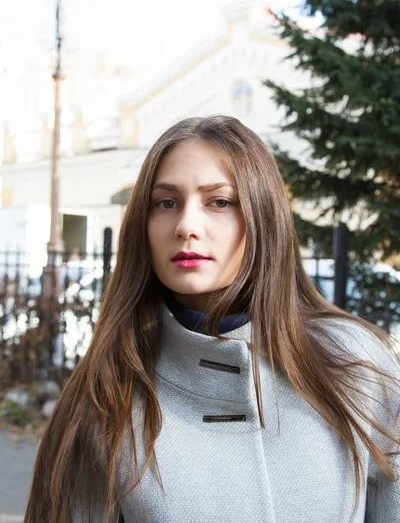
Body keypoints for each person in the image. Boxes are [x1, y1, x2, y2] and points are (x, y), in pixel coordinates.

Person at [25, 115, 399, 523]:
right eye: (166, 203)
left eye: (219, 201)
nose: (186, 225)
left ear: (262, 216)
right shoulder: (104, 398)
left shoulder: (357, 366)